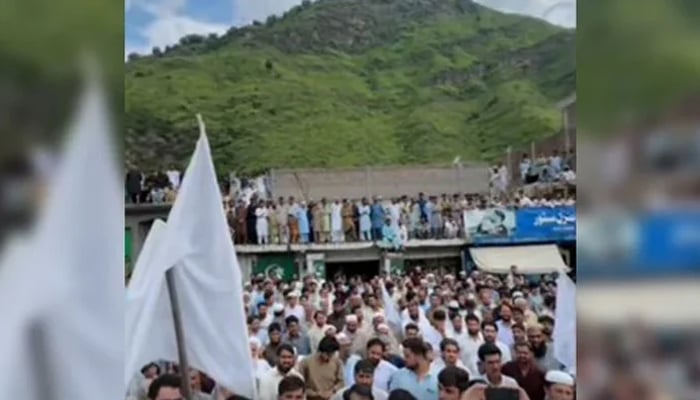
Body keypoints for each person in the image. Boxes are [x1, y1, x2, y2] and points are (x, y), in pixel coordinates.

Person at [298, 336, 345, 400]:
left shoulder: (337, 362)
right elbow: (300, 386)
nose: (329, 356)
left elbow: (341, 382)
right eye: (328, 354)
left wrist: (333, 390)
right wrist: (317, 394)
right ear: (320, 351)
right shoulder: (306, 363)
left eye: (332, 354)